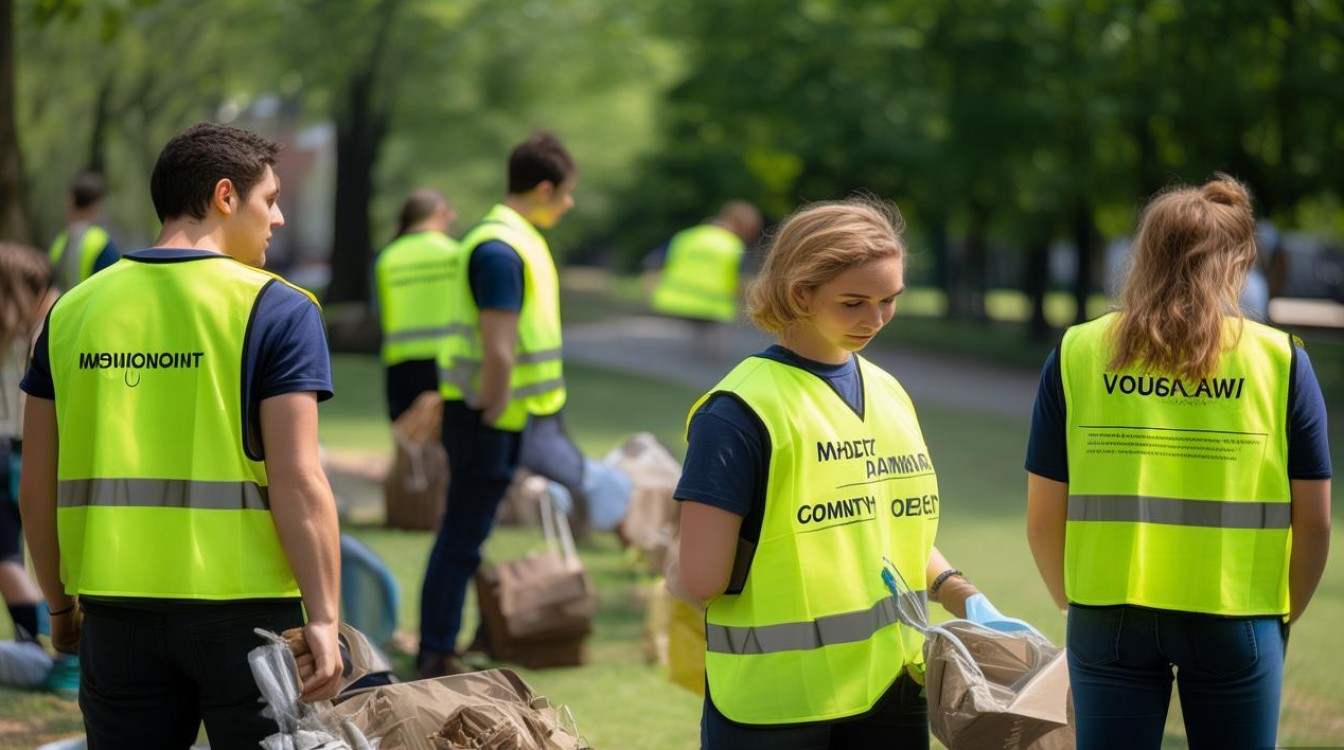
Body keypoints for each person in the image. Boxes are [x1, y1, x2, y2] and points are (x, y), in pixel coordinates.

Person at [19, 122, 344, 748]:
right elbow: (299, 479)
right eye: (270, 200)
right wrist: (325, 614)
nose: (277, 219)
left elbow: (38, 484)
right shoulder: (280, 309)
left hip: (114, 614)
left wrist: (60, 606)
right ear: (226, 196)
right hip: (249, 623)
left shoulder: (70, 312)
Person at [669, 197, 1021, 750]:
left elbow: (887, 526)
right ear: (798, 293)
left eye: (889, 301)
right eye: (855, 302)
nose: (875, 320)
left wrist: (965, 597)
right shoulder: (739, 409)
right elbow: (703, 580)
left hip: (892, 687)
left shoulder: (888, 390)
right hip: (779, 705)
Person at [1025, 175, 1332, 750]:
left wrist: (1074, 601)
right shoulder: (1281, 361)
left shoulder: (1077, 350)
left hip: (1106, 611)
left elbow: (1043, 518)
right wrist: (1282, 614)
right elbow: (1314, 522)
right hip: (1237, 612)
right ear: (1239, 261)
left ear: (1145, 254)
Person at [420, 131, 578, 678]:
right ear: (542, 189)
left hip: (501, 415)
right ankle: (436, 648)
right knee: (462, 535)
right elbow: (499, 349)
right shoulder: (500, 248)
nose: (570, 203)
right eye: (565, 193)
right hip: (488, 415)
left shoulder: (513, 239)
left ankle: (467, 634)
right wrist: (490, 410)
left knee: (471, 531)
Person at [0, 242, 58, 689]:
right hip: (27, 451)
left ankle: (53, 641)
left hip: (5, 451)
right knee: (18, 555)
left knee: (6, 559)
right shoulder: (44, 329)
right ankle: (37, 638)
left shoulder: (17, 334)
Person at [374, 188, 459, 421]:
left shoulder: (388, 257)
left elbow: (380, 312)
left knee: (408, 437)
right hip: (449, 359)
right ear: (440, 212)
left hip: (400, 361)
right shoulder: (455, 254)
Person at [650, 200, 762, 327]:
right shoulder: (734, 246)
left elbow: (653, 266)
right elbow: (744, 285)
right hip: (712, 314)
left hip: (670, 309)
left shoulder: (685, 237)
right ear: (741, 225)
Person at [48, 172, 120, 290]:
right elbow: (113, 285)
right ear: (96, 205)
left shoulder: (59, 243)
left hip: (62, 308)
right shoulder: (100, 242)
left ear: (71, 201)